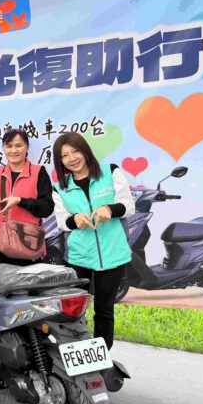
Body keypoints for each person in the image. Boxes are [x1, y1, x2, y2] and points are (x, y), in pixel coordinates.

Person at [51, 132, 135, 349]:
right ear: (60, 161)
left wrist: (109, 209)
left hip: (113, 253)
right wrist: (75, 219)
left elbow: (129, 205)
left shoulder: (111, 172)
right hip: (79, 256)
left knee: (104, 309)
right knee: (73, 310)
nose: (72, 158)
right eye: (64, 155)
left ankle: (101, 355)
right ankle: (75, 352)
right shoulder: (60, 188)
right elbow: (61, 221)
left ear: (85, 150)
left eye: (76, 151)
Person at [0, 127, 54, 266]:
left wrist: (19, 201)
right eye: (9, 146)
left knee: (27, 280)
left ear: (27, 147)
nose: (13, 150)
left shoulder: (39, 172)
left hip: (28, 241)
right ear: (4, 149)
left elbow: (47, 208)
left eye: (18, 145)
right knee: (1, 279)